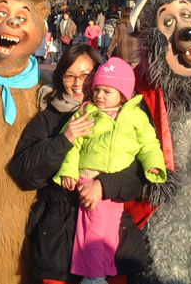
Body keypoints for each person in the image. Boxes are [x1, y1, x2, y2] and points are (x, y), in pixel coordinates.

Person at [9, 45, 147, 284]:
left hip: (109, 239)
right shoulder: (48, 118)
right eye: (69, 76)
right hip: (59, 239)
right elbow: (24, 173)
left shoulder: (126, 118)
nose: (77, 84)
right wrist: (64, 140)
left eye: (86, 75)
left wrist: (104, 185)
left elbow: (138, 177)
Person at [53, 57, 166, 284]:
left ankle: (103, 270)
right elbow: (73, 145)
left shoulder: (135, 116)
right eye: (97, 89)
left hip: (114, 186)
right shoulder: (88, 113)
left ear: (122, 95)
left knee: (110, 230)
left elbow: (149, 143)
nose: (99, 96)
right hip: (89, 178)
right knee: (93, 230)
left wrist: (153, 163)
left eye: (107, 91)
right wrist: (69, 171)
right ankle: (92, 275)